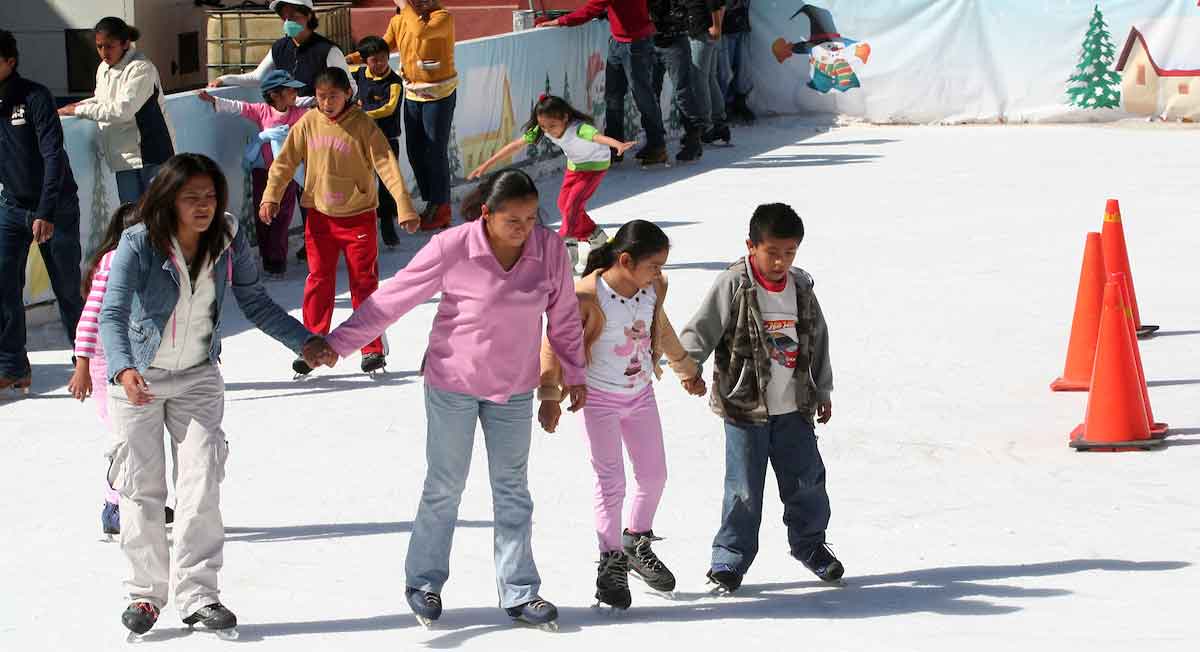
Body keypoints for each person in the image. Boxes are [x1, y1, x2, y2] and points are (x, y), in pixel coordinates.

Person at [303, 168, 587, 630]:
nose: (525, 228)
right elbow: (393, 298)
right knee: (445, 486)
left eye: (532, 218)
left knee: (513, 490)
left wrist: (574, 374)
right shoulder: (454, 247)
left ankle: (520, 591)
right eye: (513, 220)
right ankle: (424, 582)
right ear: (486, 215)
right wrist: (339, 343)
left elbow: (564, 317)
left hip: (514, 387)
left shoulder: (548, 249)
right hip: (453, 381)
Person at [98, 154, 320, 638]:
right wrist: (123, 368)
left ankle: (199, 595)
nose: (203, 206)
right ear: (169, 199)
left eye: (210, 196)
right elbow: (111, 313)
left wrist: (302, 340)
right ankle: (144, 594)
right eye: (191, 197)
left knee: (201, 484)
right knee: (142, 488)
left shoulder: (227, 237)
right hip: (140, 378)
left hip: (198, 376)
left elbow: (255, 299)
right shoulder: (139, 242)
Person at [537, 219, 706, 610]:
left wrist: (687, 370)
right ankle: (610, 559)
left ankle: (635, 541)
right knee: (611, 483)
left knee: (654, 475)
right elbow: (553, 344)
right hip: (598, 399)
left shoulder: (652, 289)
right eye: (653, 265)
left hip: (640, 394)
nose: (658, 273)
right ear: (626, 260)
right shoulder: (585, 296)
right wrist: (549, 394)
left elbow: (659, 330)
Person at [678, 203, 842, 594]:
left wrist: (823, 389)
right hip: (744, 407)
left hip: (794, 408)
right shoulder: (735, 283)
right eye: (773, 252)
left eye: (790, 253)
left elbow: (818, 340)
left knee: (807, 482)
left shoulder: (800, 287)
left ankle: (810, 546)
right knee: (743, 488)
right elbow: (701, 328)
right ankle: (729, 559)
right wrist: (688, 366)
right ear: (751, 246)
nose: (780, 261)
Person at [263, 67, 419, 377]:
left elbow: (386, 164)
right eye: (321, 97)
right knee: (319, 280)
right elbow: (284, 163)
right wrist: (271, 196)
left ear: (348, 93)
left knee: (364, 283)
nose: (326, 103)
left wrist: (404, 206)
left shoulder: (363, 125)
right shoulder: (308, 122)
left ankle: (371, 346)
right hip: (319, 216)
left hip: (358, 216)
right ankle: (310, 343)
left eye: (333, 96)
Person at [68, 203, 178, 537]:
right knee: (126, 437)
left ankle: (141, 502)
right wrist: (83, 364)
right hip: (106, 364)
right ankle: (114, 507)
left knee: (142, 435)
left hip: (137, 361)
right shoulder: (115, 261)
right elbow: (91, 318)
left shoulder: (156, 258)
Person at [0, 29, 83, 393]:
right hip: (12, 208)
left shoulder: (34, 96)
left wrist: (46, 211)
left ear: (9, 61)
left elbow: (53, 156)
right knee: (3, 286)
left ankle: (89, 359)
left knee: (66, 287)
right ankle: (13, 365)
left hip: (55, 207)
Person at [468, 94, 635, 271]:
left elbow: (597, 138)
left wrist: (617, 144)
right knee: (564, 205)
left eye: (552, 126)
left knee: (572, 205)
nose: (547, 131)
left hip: (595, 165)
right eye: (543, 127)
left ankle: (566, 247)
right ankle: (597, 237)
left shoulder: (579, 128)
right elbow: (516, 145)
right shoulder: (543, 129)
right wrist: (486, 165)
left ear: (565, 117)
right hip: (575, 166)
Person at [347, 0, 458, 231]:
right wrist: (349, 59)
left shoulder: (442, 18)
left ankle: (442, 206)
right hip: (413, 94)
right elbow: (382, 46)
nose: (423, 2)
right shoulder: (399, 20)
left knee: (435, 150)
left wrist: (404, 5)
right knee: (415, 151)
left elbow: (421, 31)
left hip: (438, 94)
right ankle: (431, 201)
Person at [198, 70, 308, 278]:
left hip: (287, 175)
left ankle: (277, 262)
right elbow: (238, 107)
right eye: (290, 89)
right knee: (263, 216)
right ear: (275, 94)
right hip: (262, 173)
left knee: (282, 217)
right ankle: (268, 259)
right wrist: (213, 99)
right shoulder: (262, 111)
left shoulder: (299, 114)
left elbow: (317, 116)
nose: (295, 92)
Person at [58, 17, 175, 204]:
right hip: (123, 157)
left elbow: (122, 110)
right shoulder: (103, 69)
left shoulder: (141, 68)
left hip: (152, 155)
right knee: (129, 217)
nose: (104, 52)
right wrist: (73, 108)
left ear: (125, 43)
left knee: (158, 216)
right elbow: (102, 101)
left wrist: (78, 111)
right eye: (99, 46)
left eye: (109, 46)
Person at [543, 0, 668, 166]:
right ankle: (615, 147)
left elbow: (591, 9)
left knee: (642, 96)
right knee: (613, 96)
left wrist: (559, 21)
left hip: (634, 43)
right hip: (620, 41)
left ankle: (657, 146)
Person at [208, 0, 357, 103]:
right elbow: (258, 78)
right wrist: (223, 79)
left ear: (308, 16)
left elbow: (351, 88)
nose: (288, 22)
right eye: (284, 17)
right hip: (289, 120)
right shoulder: (279, 47)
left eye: (293, 16)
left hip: (319, 121)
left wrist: (321, 103)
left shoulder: (328, 50)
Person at [351, 36, 405, 249]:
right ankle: (361, 230)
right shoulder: (359, 73)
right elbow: (341, 69)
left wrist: (362, 113)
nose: (380, 64)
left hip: (387, 141)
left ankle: (388, 228)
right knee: (362, 185)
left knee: (387, 186)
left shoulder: (394, 82)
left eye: (384, 58)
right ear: (365, 61)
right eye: (375, 60)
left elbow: (389, 108)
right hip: (361, 141)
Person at [648, 0, 708, 162]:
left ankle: (693, 138)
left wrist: (671, 18)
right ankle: (655, 142)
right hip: (652, 40)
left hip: (674, 40)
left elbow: (686, 9)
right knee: (650, 93)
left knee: (682, 92)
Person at [689, 0, 732, 146]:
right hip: (704, 28)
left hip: (701, 29)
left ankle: (706, 127)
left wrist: (717, 26)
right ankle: (719, 124)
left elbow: (717, 3)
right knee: (708, 78)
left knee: (700, 78)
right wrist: (718, 25)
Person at [718, 0, 755, 123]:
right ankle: (723, 107)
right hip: (724, 27)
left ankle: (738, 102)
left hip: (741, 23)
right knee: (725, 72)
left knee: (743, 70)